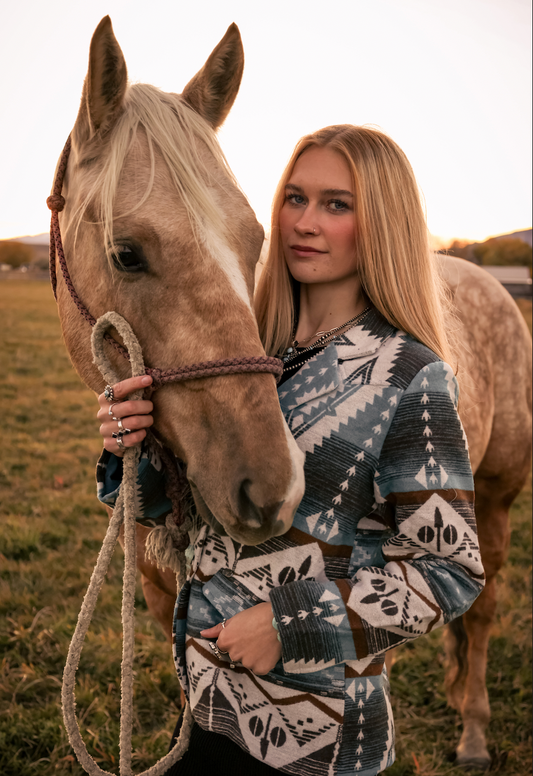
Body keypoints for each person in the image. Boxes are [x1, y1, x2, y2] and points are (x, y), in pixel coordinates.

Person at [96, 125, 485, 776]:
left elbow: (451, 570)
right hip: (206, 706)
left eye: (336, 204)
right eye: (294, 198)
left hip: (316, 743)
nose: (304, 221)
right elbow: (183, 515)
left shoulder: (407, 374)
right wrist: (127, 448)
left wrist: (288, 623)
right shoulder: (254, 356)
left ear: (381, 223)